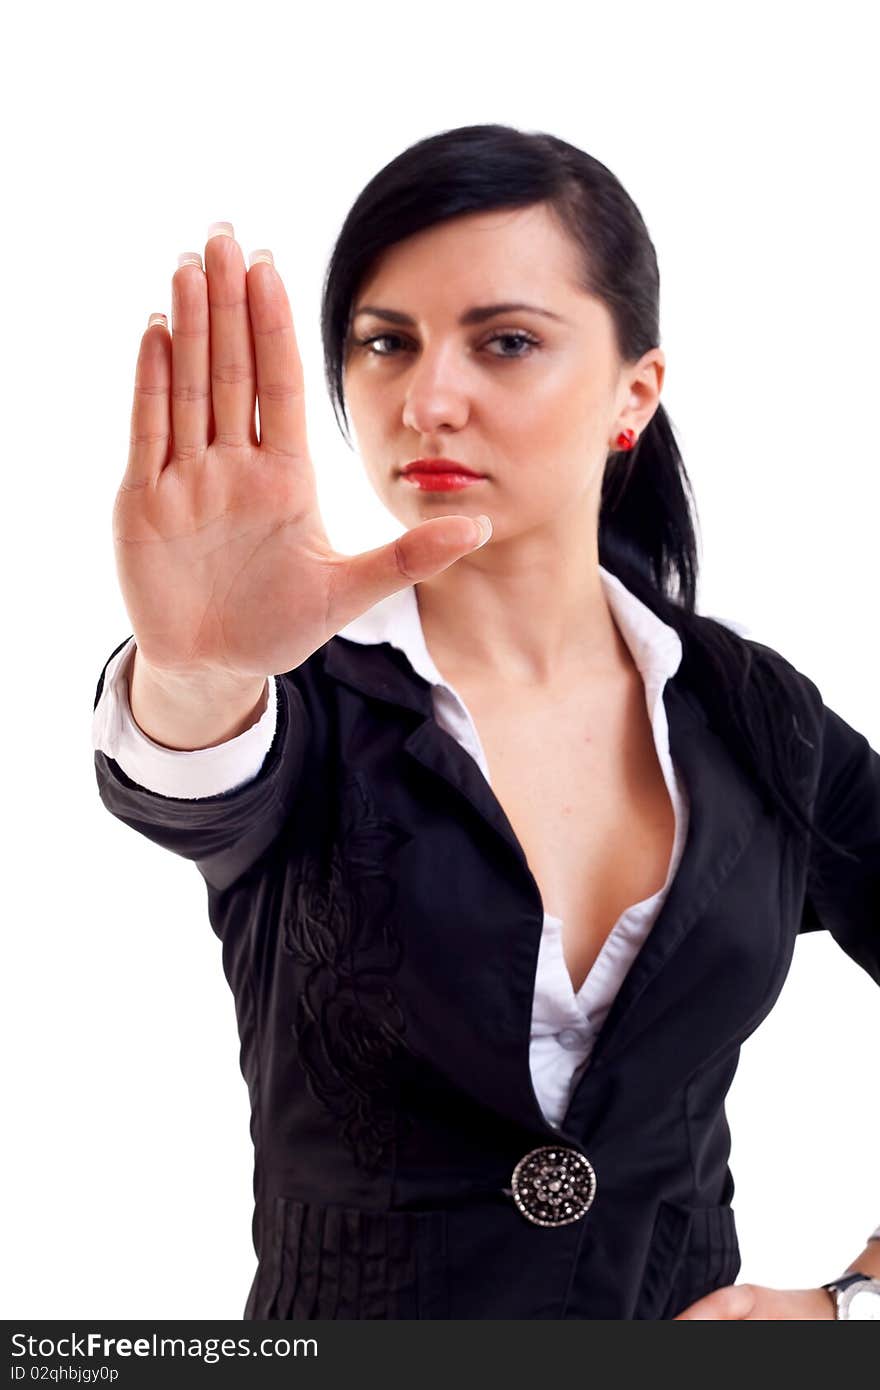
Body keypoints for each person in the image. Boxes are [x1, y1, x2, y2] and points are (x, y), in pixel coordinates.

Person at [92, 123, 880, 1320]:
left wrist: (847, 1304)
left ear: (635, 392)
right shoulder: (299, 691)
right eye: (383, 343)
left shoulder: (754, 714)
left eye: (504, 342)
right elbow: (195, 767)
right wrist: (194, 667)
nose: (427, 399)